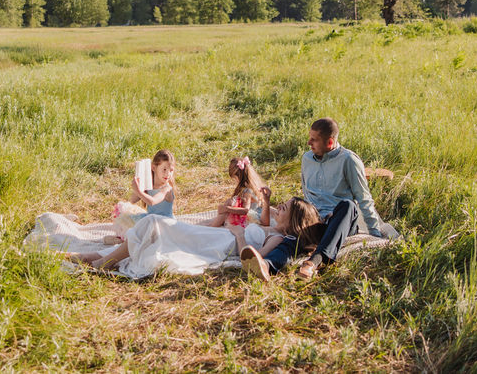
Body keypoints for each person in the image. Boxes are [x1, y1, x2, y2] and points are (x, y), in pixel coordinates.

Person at [243, 117, 385, 281]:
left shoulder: (349, 160)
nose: (309, 142)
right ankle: (267, 265)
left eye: (314, 140)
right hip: (314, 220)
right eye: (309, 137)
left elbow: (364, 198)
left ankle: (314, 262)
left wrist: (374, 232)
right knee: (293, 235)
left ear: (330, 142)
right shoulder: (307, 159)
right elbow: (307, 195)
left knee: (348, 205)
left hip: (339, 222)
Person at [76, 196, 323, 278]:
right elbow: (261, 219)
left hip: (220, 244)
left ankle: (102, 263)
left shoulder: (279, 240)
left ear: (292, 221)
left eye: (285, 208)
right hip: (214, 236)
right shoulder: (270, 228)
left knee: (154, 225)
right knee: (152, 231)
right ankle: (83, 258)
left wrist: (238, 235)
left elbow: (255, 258)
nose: (280, 207)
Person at [104, 149, 176, 244]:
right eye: (164, 169)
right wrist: (139, 187)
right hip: (150, 220)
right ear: (154, 168)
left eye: (171, 170)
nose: (168, 174)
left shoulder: (167, 189)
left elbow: (152, 201)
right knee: (125, 213)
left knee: (146, 231)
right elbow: (132, 200)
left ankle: (125, 242)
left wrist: (139, 191)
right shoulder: (149, 185)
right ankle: (123, 240)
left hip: (164, 223)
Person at [202, 156, 271, 228]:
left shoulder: (247, 191)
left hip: (253, 220)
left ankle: (211, 228)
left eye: (234, 178)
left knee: (227, 209)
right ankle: (213, 225)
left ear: (237, 177)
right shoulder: (249, 187)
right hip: (253, 215)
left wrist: (227, 208)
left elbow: (245, 210)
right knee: (229, 204)